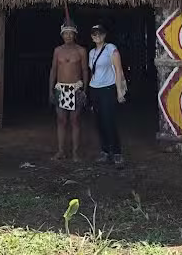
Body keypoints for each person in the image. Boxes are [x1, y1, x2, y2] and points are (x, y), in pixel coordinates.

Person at [49, 18, 88, 161]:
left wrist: (84, 90)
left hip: (76, 88)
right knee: (61, 120)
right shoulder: (57, 51)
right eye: (66, 33)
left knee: (75, 120)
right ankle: (61, 151)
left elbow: (85, 70)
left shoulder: (81, 51)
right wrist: (50, 90)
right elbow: (53, 70)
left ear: (75, 34)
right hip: (61, 88)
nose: (68, 36)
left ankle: (75, 152)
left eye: (71, 33)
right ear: (62, 35)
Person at [88, 24, 127, 166]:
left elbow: (118, 69)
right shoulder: (91, 53)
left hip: (108, 88)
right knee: (98, 121)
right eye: (94, 34)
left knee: (109, 120)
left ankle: (117, 153)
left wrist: (119, 91)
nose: (97, 36)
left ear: (104, 35)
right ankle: (105, 151)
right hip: (94, 89)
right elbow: (93, 72)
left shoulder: (111, 48)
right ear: (91, 37)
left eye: (100, 33)